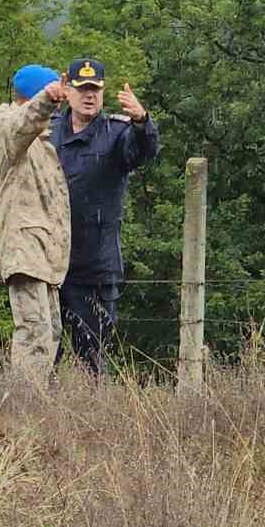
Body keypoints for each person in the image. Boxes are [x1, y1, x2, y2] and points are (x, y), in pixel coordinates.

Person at [50, 58, 160, 376]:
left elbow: (143, 152)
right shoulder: (49, 129)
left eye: (95, 89)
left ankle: (95, 421)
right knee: (43, 356)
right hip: (50, 261)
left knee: (94, 358)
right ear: (67, 89)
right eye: (82, 88)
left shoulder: (117, 132)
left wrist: (142, 122)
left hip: (95, 265)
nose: (89, 96)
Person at [0, 65, 70, 387]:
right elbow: (24, 122)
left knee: (50, 331)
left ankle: (36, 402)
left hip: (43, 252)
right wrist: (47, 99)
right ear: (34, 95)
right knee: (34, 332)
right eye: (51, 98)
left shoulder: (40, 140)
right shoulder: (4, 126)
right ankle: (25, 406)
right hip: (25, 246)